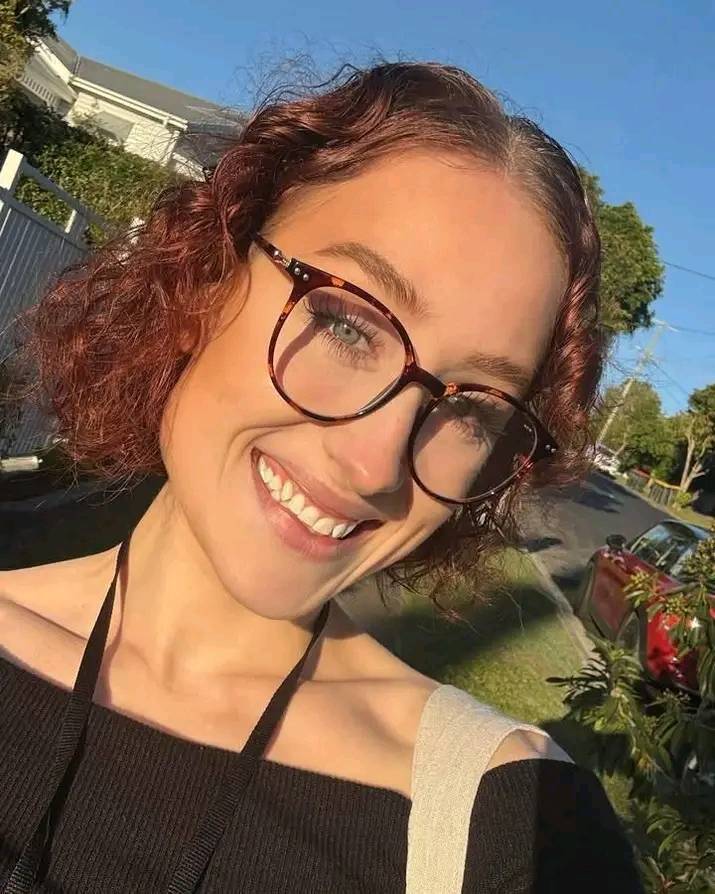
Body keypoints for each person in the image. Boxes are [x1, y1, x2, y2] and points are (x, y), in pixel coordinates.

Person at [0, 62, 644, 893]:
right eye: (347, 323)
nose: (376, 463)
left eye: (473, 409)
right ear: (209, 276)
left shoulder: (516, 834)